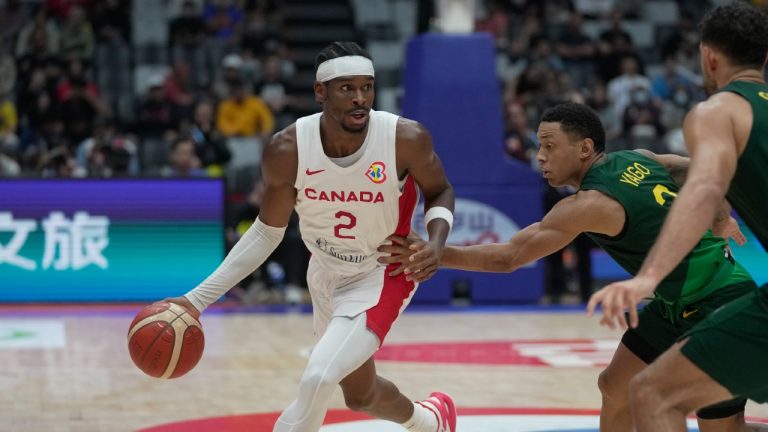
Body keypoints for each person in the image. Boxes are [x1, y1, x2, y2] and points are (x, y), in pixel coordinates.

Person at [379, 102, 758, 432]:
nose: (540, 156)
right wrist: (721, 213)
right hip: (677, 303)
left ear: (585, 148)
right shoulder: (636, 159)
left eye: (549, 147)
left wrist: (436, 252)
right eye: (538, 146)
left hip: (720, 301)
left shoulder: (588, 204)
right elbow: (691, 166)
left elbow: (510, 257)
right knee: (615, 385)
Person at [161, 41, 457, 432]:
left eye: (366, 87)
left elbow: (440, 190)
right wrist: (195, 301)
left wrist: (435, 243)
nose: (360, 99)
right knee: (360, 394)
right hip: (325, 275)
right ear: (321, 92)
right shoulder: (288, 149)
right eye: (346, 88)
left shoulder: (404, 139)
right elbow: (266, 235)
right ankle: (431, 422)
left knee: (317, 378)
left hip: (382, 272)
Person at [585, 3, 768, 430]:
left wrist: (647, 278)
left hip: (725, 292)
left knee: (651, 393)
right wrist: (722, 215)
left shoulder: (717, 111)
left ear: (709, 57)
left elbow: (704, 186)